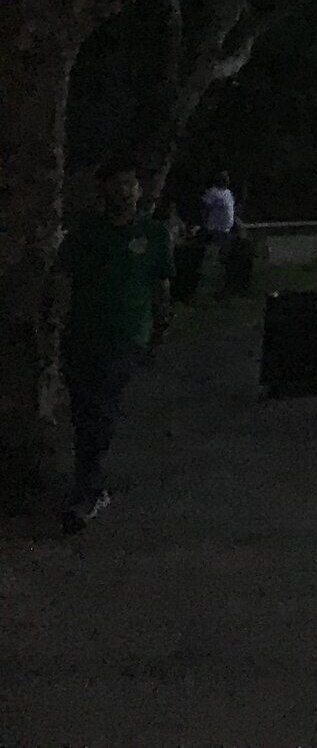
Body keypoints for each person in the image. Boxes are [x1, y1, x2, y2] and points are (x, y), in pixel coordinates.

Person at [56, 163, 174, 532]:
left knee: (102, 407)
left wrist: (160, 326)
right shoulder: (86, 234)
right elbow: (63, 279)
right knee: (85, 410)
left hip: (127, 337)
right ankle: (89, 479)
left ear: (140, 191)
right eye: (116, 184)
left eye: (130, 184)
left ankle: (86, 493)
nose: (124, 192)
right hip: (82, 335)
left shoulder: (153, 234)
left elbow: (161, 285)